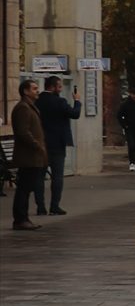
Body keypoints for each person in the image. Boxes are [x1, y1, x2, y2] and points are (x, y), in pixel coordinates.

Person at [34, 75, 81, 216]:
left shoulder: (37, 101)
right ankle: (54, 206)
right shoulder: (59, 102)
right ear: (52, 87)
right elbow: (75, 114)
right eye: (59, 87)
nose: (60, 89)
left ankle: (40, 206)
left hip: (40, 142)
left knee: (39, 176)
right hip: (57, 144)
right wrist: (77, 101)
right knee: (57, 176)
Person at [10, 79, 48, 231]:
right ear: (25, 91)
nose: (37, 91)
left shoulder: (30, 107)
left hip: (33, 155)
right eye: (34, 88)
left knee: (27, 188)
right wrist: (36, 144)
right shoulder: (23, 108)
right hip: (28, 155)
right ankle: (20, 219)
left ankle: (23, 218)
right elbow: (23, 131)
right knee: (24, 189)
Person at [117, 87, 135, 171]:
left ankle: (134, 162)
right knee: (131, 145)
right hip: (129, 127)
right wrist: (124, 125)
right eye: (133, 94)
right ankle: (132, 163)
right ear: (130, 94)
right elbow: (119, 115)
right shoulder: (125, 104)